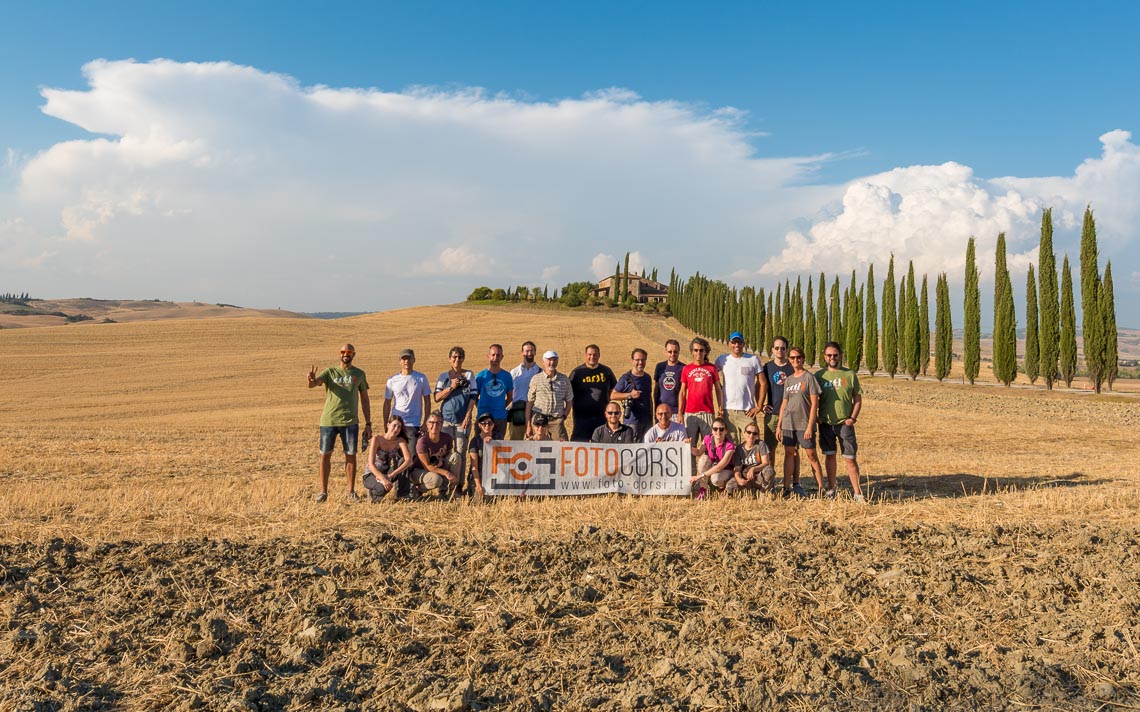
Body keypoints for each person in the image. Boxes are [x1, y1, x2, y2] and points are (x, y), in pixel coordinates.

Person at [307, 344, 371, 503]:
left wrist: (368, 423)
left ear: (353, 354)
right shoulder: (330, 372)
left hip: (350, 421)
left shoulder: (359, 374)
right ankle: (323, 492)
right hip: (329, 421)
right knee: (325, 455)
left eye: (349, 352)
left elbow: (364, 398)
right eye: (343, 352)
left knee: (351, 456)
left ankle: (350, 491)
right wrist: (311, 379)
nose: (345, 354)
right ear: (340, 354)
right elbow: (314, 384)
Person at [816, 341, 867, 503]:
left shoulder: (849, 374)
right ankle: (831, 489)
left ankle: (858, 493)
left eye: (835, 355)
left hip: (845, 424)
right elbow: (812, 399)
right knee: (830, 456)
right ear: (825, 357)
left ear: (840, 356)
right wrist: (816, 417)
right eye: (829, 355)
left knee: (850, 458)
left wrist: (852, 418)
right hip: (826, 424)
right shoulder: (819, 376)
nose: (832, 358)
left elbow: (857, 398)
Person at [776, 346, 826, 496]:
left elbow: (814, 404)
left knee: (812, 456)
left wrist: (810, 426)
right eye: (792, 358)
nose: (795, 360)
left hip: (804, 423)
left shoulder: (809, 378)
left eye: (798, 357)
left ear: (803, 359)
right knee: (789, 453)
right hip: (788, 422)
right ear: (789, 360)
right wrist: (779, 426)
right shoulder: (789, 380)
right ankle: (786, 488)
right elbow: (784, 403)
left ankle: (821, 488)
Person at [761, 336, 803, 497]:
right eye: (777, 348)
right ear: (772, 350)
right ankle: (770, 483)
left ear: (786, 349)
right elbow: (761, 386)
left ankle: (794, 483)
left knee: (792, 451)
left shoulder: (792, 367)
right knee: (770, 450)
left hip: (791, 416)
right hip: (772, 414)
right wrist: (761, 405)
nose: (780, 350)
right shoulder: (767, 367)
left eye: (783, 348)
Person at [434, 346, 477, 474]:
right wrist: (451, 387)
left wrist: (467, 416)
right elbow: (436, 397)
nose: (457, 359)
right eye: (454, 357)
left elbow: (473, 397)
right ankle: (444, 483)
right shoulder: (443, 377)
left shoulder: (469, 375)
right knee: (443, 452)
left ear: (463, 359)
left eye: (459, 357)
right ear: (449, 359)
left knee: (460, 453)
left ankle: (458, 485)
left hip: (461, 421)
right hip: (445, 420)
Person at [715, 331, 763, 442]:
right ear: (729, 344)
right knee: (731, 446)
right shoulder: (722, 360)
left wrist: (759, 406)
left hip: (747, 410)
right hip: (728, 411)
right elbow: (712, 377)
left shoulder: (753, 360)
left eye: (739, 342)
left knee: (753, 443)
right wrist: (720, 388)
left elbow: (763, 383)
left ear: (743, 344)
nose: (736, 345)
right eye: (734, 342)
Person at [383, 348, 431, 456]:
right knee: (394, 455)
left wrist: (425, 422)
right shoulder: (392, 380)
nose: (406, 361)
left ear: (414, 360)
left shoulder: (421, 378)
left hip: (413, 423)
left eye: (409, 358)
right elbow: (387, 403)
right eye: (404, 359)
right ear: (400, 361)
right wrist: (386, 422)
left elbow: (427, 401)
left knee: (411, 454)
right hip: (396, 423)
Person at [677, 337, 723, 441]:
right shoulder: (686, 369)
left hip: (707, 412)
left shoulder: (712, 368)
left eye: (701, 350)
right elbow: (683, 392)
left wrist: (720, 408)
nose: (699, 353)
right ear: (691, 352)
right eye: (696, 350)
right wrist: (680, 412)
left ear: (706, 352)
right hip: (690, 413)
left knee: (708, 445)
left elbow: (718, 390)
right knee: (689, 445)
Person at [569, 344, 617, 441]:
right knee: (579, 446)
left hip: (602, 417)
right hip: (581, 418)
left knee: (603, 447)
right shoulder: (577, 372)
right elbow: (568, 394)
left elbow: (614, 391)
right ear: (585, 355)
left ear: (599, 355)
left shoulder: (606, 371)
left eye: (595, 354)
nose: (592, 357)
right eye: (589, 354)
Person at [410, 411, 462, 498]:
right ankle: (418, 489)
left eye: (438, 423)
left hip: (437, 466)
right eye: (432, 422)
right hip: (420, 470)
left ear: (442, 425)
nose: (435, 425)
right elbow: (427, 466)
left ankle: (451, 491)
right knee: (436, 480)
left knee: (456, 457)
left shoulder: (447, 438)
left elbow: (448, 455)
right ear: (427, 425)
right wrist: (446, 473)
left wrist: (442, 462)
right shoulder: (422, 441)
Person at [362, 415, 414, 502]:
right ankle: (373, 494)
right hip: (372, 474)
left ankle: (403, 494)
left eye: (399, 427)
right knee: (383, 488)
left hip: (387, 473)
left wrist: (391, 475)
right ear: (388, 425)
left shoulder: (400, 441)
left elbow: (409, 460)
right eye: (394, 425)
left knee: (403, 461)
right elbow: (371, 464)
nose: (396, 429)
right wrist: (383, 479)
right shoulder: (377, 439)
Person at [527, 351, 573, 440]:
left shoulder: (564, 380)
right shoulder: (536, 379)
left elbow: (569, 400)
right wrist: (528, 424)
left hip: (556, 421)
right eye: (549, 360)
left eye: (554, 360)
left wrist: (564, 416)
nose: (552, 363)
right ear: (543, 362)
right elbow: (529, 402)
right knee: (535, 448)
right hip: (538, 421)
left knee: (561, 448)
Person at [690, 417, 735, 499]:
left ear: (726, 431)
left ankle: (722, 488)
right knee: (703, 458)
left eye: (721, 429)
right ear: (712, 431)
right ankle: (703, 490)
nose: (718, 432)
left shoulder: (730, 446)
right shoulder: (707, 439)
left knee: (715, 479)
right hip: (714, 468)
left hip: (727, 470)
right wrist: (688, 446)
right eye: (715, 429)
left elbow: (719, 467)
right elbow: (698, 452)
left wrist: (699, 476)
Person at [613, 348, 653, 439]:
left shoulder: (647, 377)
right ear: (632, 361)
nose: (640, 362)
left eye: (643, 360)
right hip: (632, 421)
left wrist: (652, 416)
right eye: (637, 360)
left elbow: (649, 398)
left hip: (647, 421)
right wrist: (630, 395)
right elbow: (613, 395)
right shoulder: (626, 378)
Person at [475, 344, 513, 439]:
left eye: (498, 355)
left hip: (499, 418)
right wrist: (480, 406)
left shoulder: (507, 376)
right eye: (493, 355)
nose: (495, 358)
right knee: (480, 447)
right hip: (482, 418)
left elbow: (509, 397)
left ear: (502, 357)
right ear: (488, 356)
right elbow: (474, 396)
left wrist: (499, 407)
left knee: (498, 448)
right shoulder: (481, 376)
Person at [508, 341, 541, 440]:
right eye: (527, 351)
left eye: (532, 351)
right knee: (515, 443)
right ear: (522, 353)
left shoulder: (541, 372)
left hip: (535, 412)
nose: (529, 353)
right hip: (517, 412)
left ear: (535, 352)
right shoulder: (514, 372)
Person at [731, 423, 776, 495]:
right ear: (744, 433)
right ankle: (750, 491)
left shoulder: (761, 444)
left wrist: (753, 469)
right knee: (730, 486)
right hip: (746, 478)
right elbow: (737, 469)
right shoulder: (739, 449)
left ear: (757, 435)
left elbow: (766, 462)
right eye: (749, 432)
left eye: (754, 433)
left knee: (769, 470)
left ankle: (763, 493)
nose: (751, 435)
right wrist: (739, 479)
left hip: (759, 477)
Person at [466, 413, 497, 498]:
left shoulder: (498, 437)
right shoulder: (475, 441)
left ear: (493, 425)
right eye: (483, 423)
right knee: (479, 500)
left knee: (495, 500)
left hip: (494, 475)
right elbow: (474, 467)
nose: (487, 425)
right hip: (479, 475)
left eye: (489, 423)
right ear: (479, 425)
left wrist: (494, 443)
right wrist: (478, 485)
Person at [652, 339, 685, 416]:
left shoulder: (684, 368)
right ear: (665, 352)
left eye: (675, 352)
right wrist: (655, 410)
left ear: (679, 352)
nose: (672, 354)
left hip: (677, 412)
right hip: (661, 411)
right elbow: (656, 390)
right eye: (670, 352)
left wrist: (681, 412)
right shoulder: (660, 366)